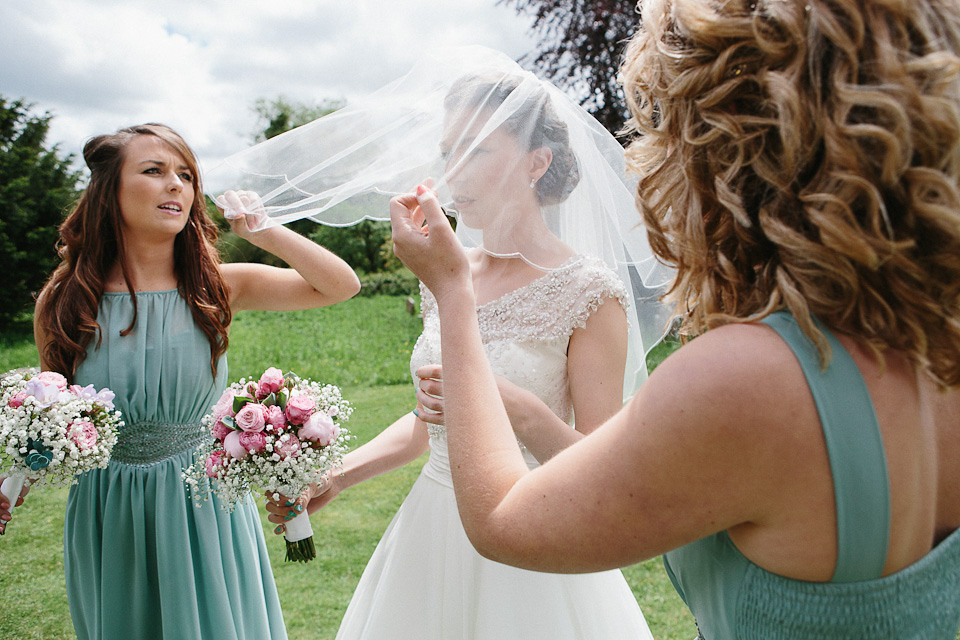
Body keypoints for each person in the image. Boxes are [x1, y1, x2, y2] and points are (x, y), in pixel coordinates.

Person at [388, 1, 960, 638]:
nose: (644, 160)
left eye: (661, 126)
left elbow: (502, 521)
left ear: (723, 150)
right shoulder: (937, 350)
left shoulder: (747, 379)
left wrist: (452, 292)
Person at [235, 48, 666, 638]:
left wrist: (524, 412)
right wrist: (338, 474)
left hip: (534, 546)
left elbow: (602, 470)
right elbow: (427, 423)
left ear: (537, 162)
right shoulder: (443, 272)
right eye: (447, 151)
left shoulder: (590, 293)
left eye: (477, 148)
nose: (452, 170)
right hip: (432, 527)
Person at [2, 123, 360, 639]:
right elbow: (48, 415)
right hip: (108, 506)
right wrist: (14, 485)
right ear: (110, 191)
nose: (177, 185)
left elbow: (340, 285)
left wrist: (262, 232)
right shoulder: (64, 299)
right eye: (154, 171)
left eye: (186, 175)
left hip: (203, 498)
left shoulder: (218, 285)